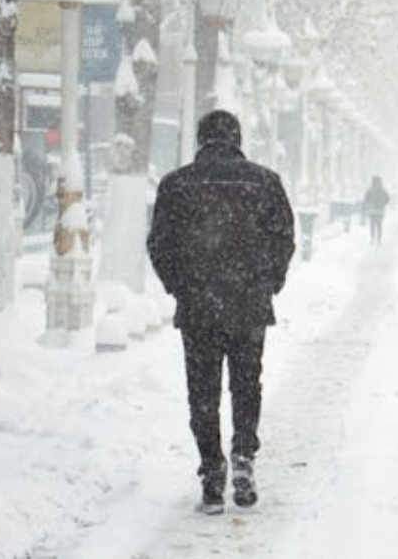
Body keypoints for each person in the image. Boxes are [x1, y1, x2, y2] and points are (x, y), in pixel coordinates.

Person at [146, 110, 295, 514]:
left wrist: (180, 285)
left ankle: (212, 472)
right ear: (237, 139)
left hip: (198, 309)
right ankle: (244, 454)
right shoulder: (264, 182)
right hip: (248, 305)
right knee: (247, 384)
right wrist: (267, 283)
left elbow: (159, 244)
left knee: (203, 393)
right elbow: (284, 239)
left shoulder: (176, 185)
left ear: (201, 140)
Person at [362, 174, 390, 246]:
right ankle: (379, 239)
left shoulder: (370, 190)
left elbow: (365, 198)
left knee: (372, 225)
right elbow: (387, 198)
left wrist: (368, 205)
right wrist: (383, 204)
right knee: (379, 225)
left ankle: (372, 238)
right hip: (380, 210)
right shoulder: (382, 189)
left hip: (372, 210)